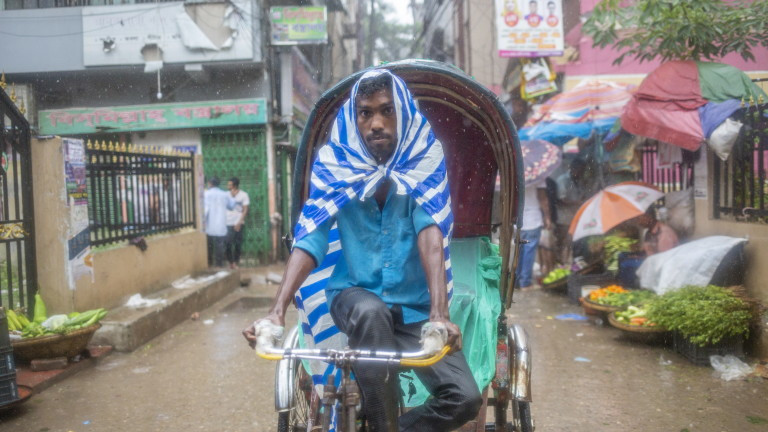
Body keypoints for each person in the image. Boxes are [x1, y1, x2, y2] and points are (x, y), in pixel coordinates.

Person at [243, 70, 481, 432]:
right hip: (355, 299)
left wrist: (439, 315)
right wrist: (275, 313)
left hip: (414, 310)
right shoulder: (337, 163)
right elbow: (311, 236)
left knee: (465, 398)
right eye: (365, 113)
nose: (376, 123)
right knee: (371, 315)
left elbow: (430, 231)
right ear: (355, 120)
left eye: (387, 111)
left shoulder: (424, 157)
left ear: (402, 113)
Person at [516, 181, 551, 289]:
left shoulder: (515, 176)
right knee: (529, 250)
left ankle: (517, 280)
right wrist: (547, 217)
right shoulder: (538, 177)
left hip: (519, 219)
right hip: (533, 218)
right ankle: (525, 282)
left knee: (520, 250)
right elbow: (543, 199)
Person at [204, 177, 232, 267]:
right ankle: (219, 264)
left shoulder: (206, 194)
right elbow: (231, 205)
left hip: (209, 225)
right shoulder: (224, 194)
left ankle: (209, 263)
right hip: (221, 224)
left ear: (210, 183)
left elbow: (203, 210)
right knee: (219, 246)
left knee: (209, 246)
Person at [225, 177, 250, 269]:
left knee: (238, 244)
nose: (228, 186)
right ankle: (230, 262)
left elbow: (245, 209)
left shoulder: (243, 195)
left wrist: (239, 222)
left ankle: (235, 262)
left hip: (239, 223)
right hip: (228, 223)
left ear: (234, 186)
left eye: (230, 185)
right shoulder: (226, 195)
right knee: (227, 243)